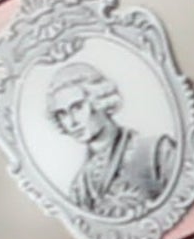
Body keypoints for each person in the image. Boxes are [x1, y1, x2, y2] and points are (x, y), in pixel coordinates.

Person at [42, 61, 177, 225]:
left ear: (100, 100)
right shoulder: (80, 186)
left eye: (77, 107)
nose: (71, 122)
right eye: (62, 114)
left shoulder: (156, 150)